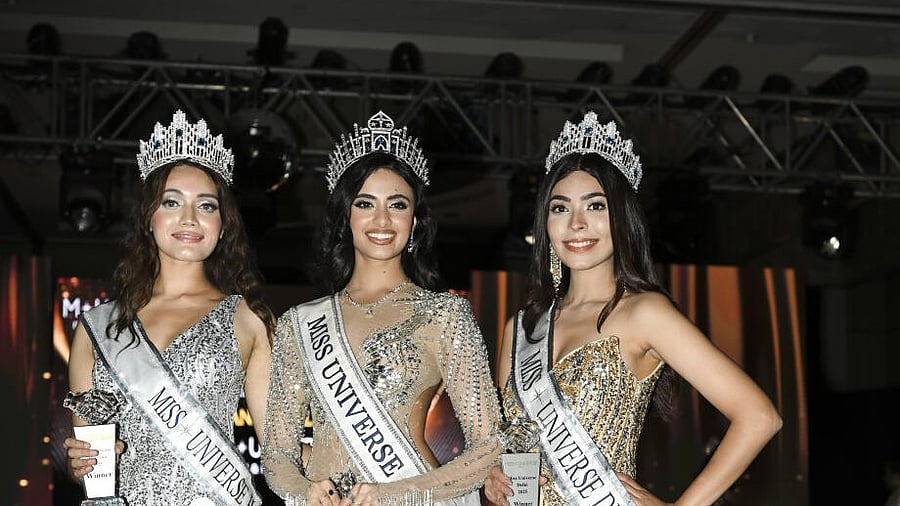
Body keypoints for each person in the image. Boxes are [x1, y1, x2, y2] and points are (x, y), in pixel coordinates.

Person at [483, 111, 783, 505]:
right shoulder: (522, 328)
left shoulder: (644, 314)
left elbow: (760, 417)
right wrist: (495, 476)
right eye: (560, 208)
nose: (576, 223)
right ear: (544, 223)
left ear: (622, 218)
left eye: (595, 206)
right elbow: (511, 443)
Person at [261, 110, 502, 506]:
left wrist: (397, 493)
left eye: (397, 204)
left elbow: (489, 445)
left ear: (415, 221)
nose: (382, 219)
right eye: (365, 203)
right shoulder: (299, 323)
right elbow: (276, 454)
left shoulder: (443, 314)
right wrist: (306, 491)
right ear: (345, 217)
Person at [63, 110, 274, 506]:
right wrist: (81, 464)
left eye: (207, 206)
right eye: (172, 202)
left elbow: (280, 453)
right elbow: (89, 463)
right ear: (148, 218)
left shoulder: (249, 318)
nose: (189, 218)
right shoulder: (97, 327)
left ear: (223, 224)